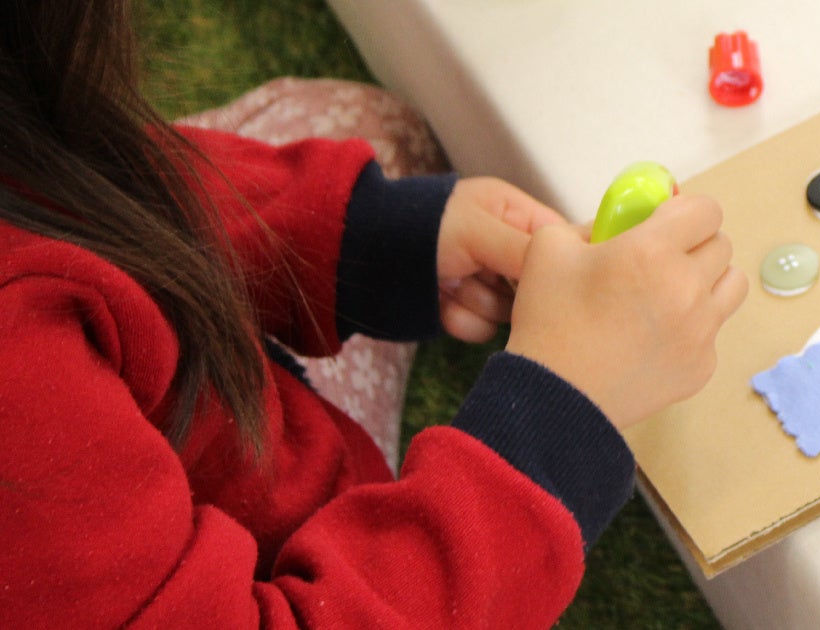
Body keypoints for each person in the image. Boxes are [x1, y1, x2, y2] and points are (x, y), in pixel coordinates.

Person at [0, 1, 747, 628]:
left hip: (209, 434)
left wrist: (379, 238)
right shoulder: (21, 393)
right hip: (286, 570)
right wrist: (559, 411)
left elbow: (86, 186)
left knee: (373, 125)